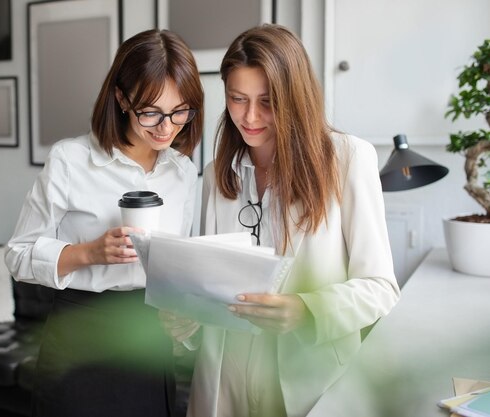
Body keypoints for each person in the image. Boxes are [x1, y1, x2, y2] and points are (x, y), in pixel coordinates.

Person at [162, 24, 400, 417]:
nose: (250, 116)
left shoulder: (348, 159)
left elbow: (380, 288)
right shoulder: (217, 175)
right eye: (237, 99)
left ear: (296, 99)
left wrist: (307, 310)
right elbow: (206, 287)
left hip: (308, 377)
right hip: (224, 383)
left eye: (267, 102)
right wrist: (183, 322)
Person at [5, 29, 203, 417]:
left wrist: (185, 315)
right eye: (151, 112)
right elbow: (17, 255)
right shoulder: (70, 160)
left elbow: (177, 266)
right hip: (80, 338)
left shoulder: (182, 173)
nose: (166, 127)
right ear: (121, 98)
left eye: (180, 111)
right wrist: (88, 253)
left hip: (148, 340)